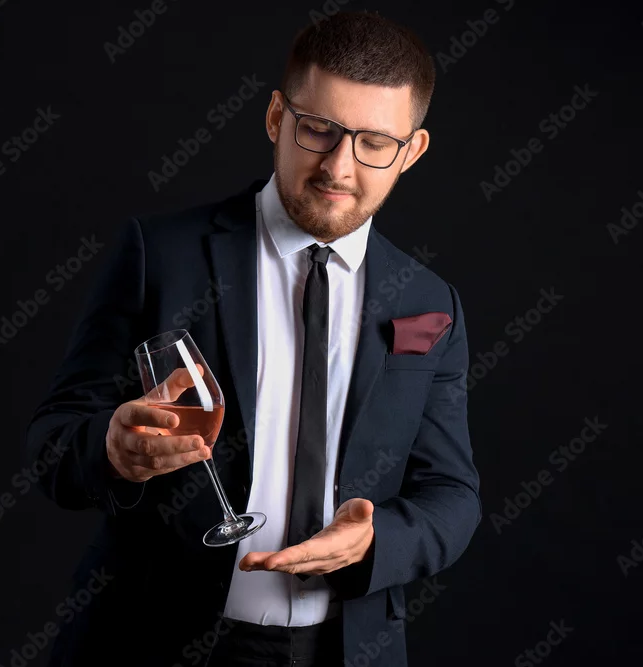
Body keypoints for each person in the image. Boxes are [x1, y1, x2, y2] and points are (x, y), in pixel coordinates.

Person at [25, 10, 481, 667]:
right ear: (275, 118)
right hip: (152, 642)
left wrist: (376, 541)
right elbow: (53, 445)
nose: (339, 167)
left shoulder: (432, 304)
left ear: (411, 151)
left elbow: (453, 496)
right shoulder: (160, 255)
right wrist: (113, 450)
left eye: (375, 142)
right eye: (318, 129)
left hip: (346, 651)